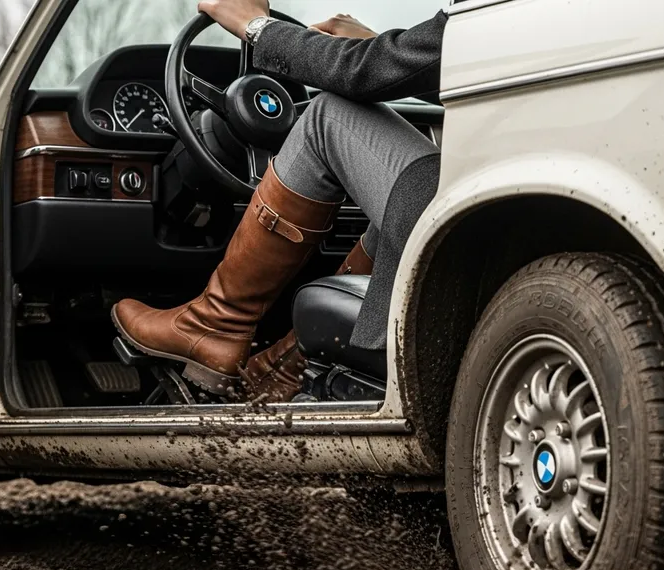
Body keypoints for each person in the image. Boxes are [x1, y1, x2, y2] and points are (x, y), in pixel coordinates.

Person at [112, 0, 447, 402]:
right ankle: (286, 369)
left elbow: (359, 75)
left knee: (326, 115)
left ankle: (216, 324)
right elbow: (478, 55)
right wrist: (385, 49)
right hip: (515, 209)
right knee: (400, 200)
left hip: (477, 225)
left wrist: (255, 27)